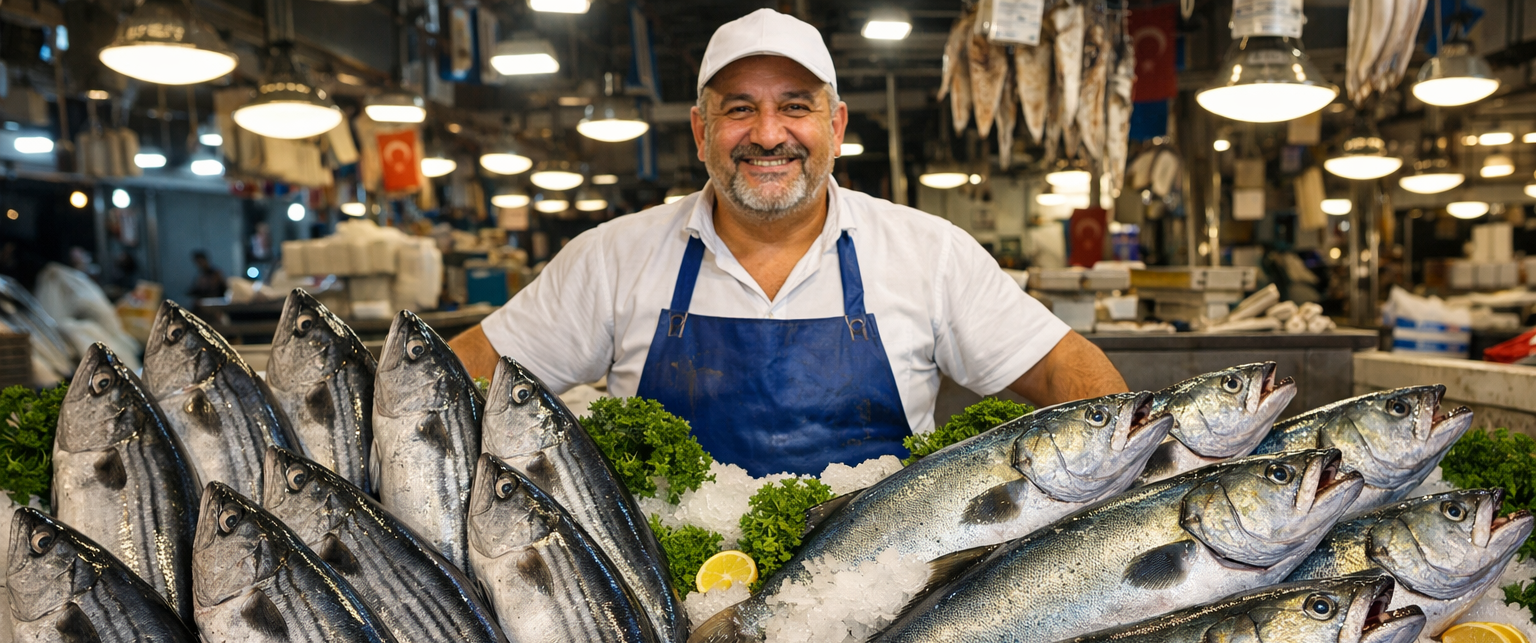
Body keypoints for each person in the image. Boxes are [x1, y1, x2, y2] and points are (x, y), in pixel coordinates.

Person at [450, 9, 1126, 477]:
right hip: (666, 615)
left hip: (881, 619)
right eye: (739, 107)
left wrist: (1120, 484)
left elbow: (1062, 367)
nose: (768, 134)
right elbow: (461, 376)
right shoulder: (611, 258)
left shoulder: (928, 253)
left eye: (795, 106)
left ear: (835, 125)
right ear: (699, 130)